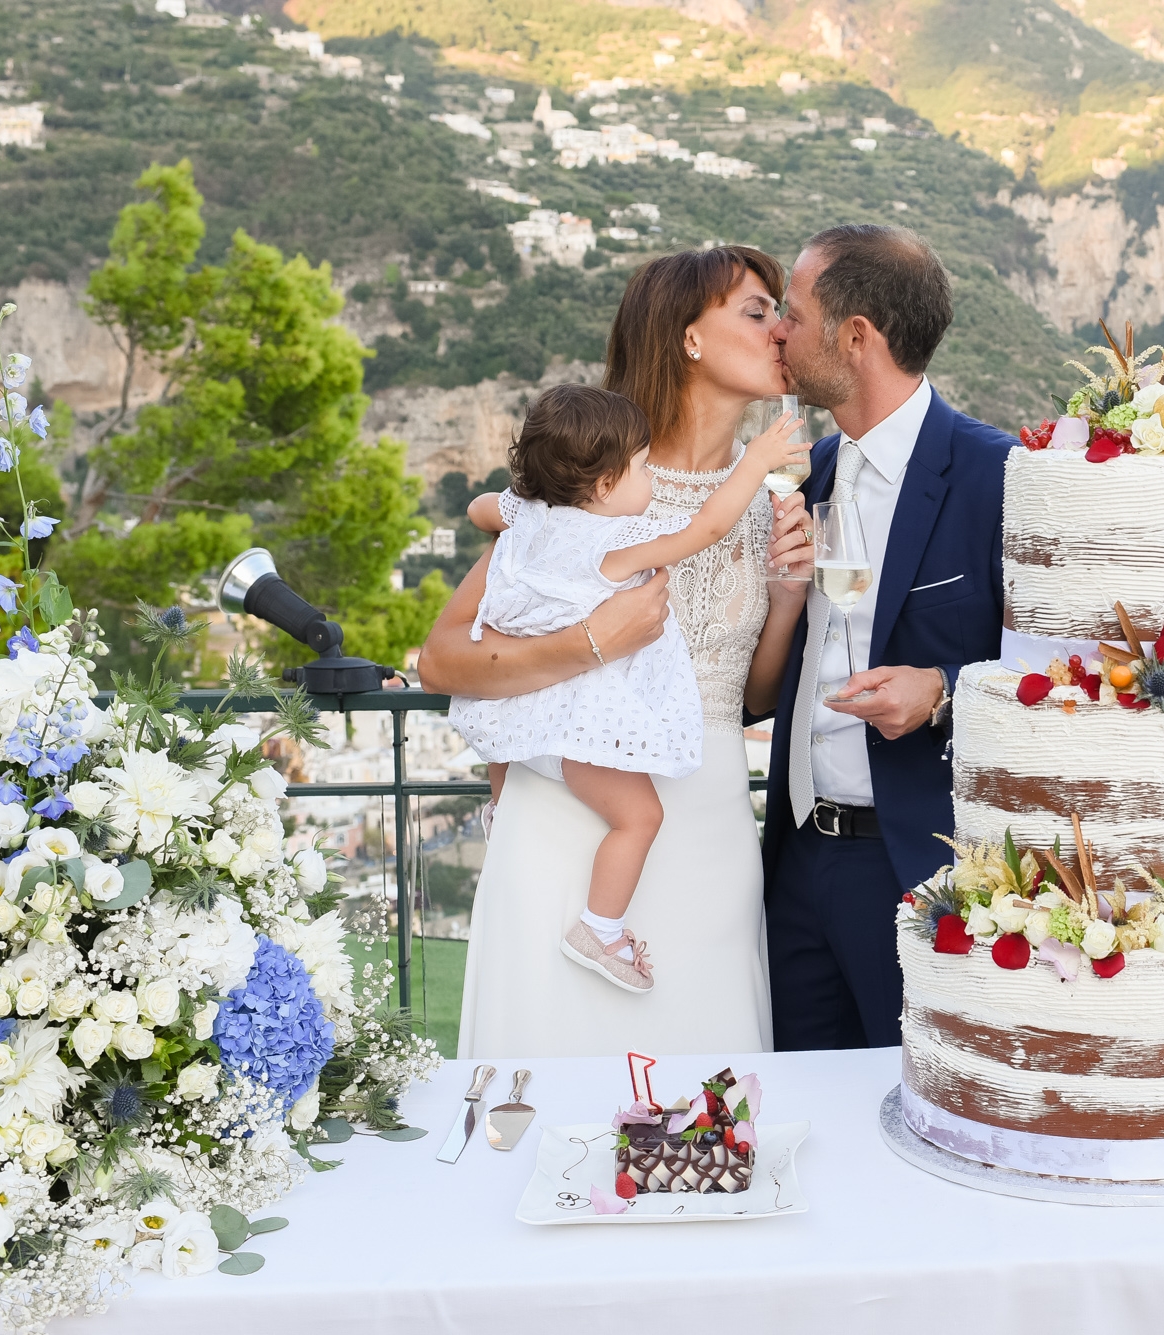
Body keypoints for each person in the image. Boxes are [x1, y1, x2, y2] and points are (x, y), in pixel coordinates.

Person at [421, 245, 813, 1057]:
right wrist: (592, 642)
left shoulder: (770, 500)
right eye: (756, 309)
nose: (782, 328)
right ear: (688, 338)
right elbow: (445, 660)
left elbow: (756, 698)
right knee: (551, 1077)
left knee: (709, 1092)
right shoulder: (590, 486)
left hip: (706, 817)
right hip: (571, 809)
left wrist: (785, 602)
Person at [450, 383, 806, 993]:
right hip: (573, 725)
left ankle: (499, 807)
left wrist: (514, 506)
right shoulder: (611, 543)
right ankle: (601, 927)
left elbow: (480, 509)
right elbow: (706, 529)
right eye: (641, 468)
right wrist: (756, 460)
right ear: (604, 486)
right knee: (640, 816)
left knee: (508, 735)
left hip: (514, 717)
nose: (650, 481)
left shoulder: (529, 521)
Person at [760, 225, 1014, 1051]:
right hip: (794, 861)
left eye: (793, 314)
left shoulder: (995, 475)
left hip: (910, 867)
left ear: (856, 336)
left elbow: (1061, 669)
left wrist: (941, 689)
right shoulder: (815, 471)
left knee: (907, 1121)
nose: (777, 333)